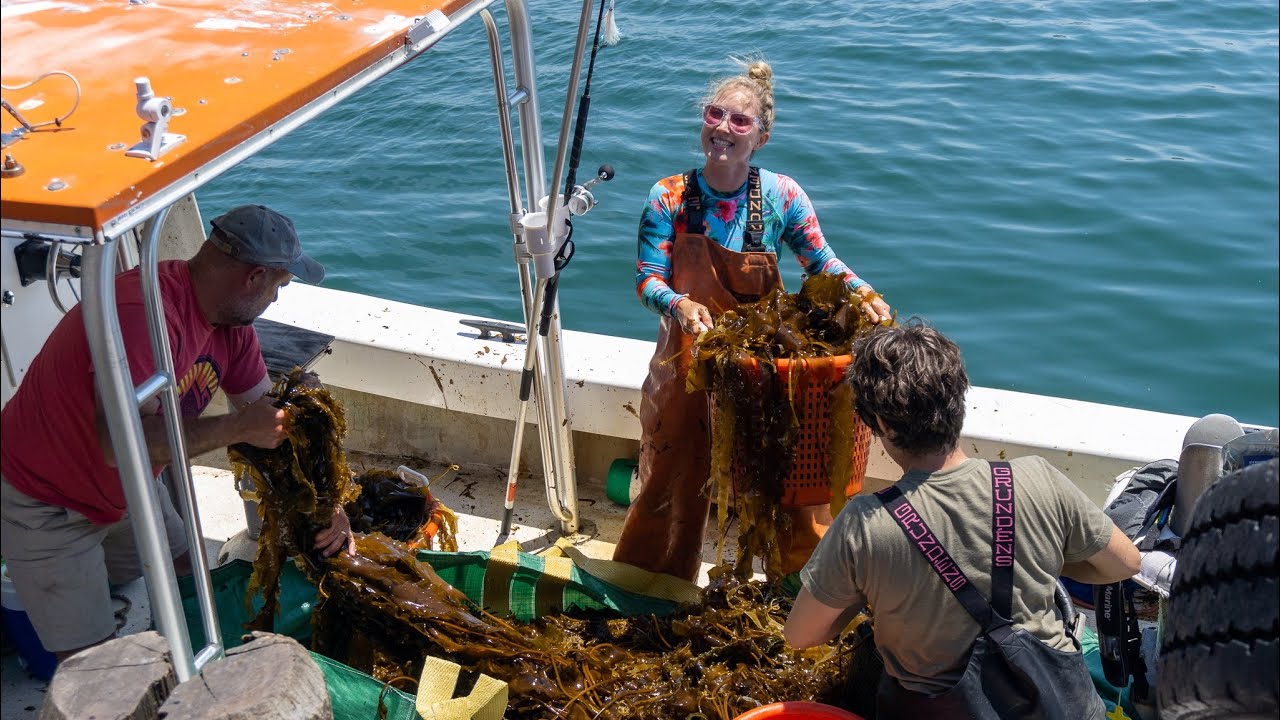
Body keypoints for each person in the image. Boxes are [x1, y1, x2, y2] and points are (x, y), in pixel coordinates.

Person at [0, 204, 355, 661]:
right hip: (46, 499)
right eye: (278, 286)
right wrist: (236, 427)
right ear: (254, 278)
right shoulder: (143, 314)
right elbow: (119, 444)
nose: (275, 301)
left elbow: (269, 417)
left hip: (127, 492)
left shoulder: (231, 326)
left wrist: (331, 507)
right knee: (92, 664)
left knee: (187, 566)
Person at [611, 57, 892, 582]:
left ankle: (803, 588)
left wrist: (863, 293)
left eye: (739, 122)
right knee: (673, 471)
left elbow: (821, 262)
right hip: (687, 361)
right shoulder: (668, 196)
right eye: (715, 115)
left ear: (760, 137)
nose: (722, 129)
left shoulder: (783, 195)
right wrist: (681, 305)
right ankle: (655, 580)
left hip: (766, 364)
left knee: (788, 474)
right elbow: (648, 280)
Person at [783, 323, 1141, 717]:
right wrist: (1044, 560)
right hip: (1060, 705)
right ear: (958, 400)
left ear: (882, 425)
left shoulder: (864, 524)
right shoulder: (1038, 478)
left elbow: (801, 635)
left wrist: (865, 595)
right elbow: (1125, 563)